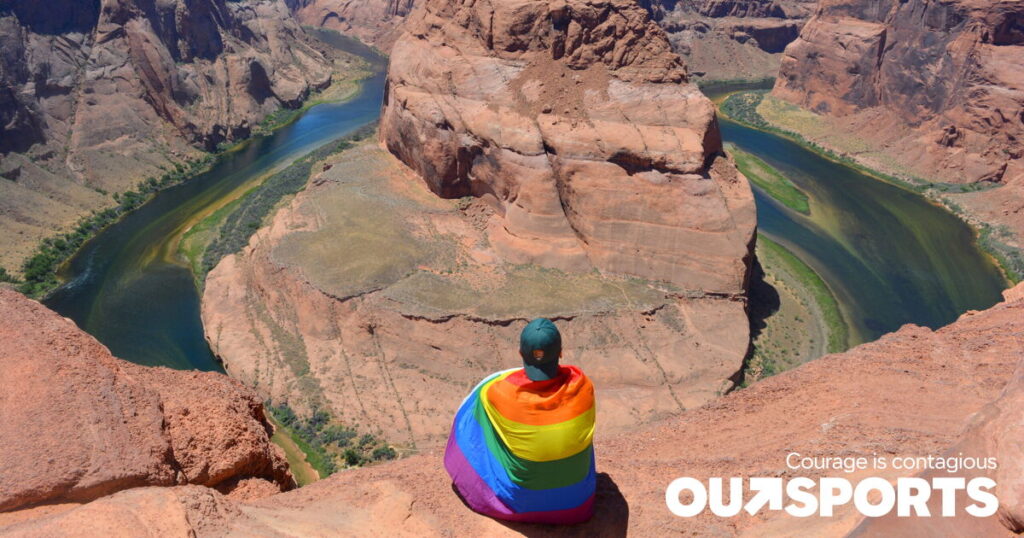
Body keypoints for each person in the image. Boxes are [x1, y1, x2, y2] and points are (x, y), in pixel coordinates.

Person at [443, 318, 596, 524]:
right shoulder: (583, 385)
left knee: (477, 407)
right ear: (560, 352)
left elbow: (489, 390)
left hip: (518, 502)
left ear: (520, 354)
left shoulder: (497, 392)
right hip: (575, 503)